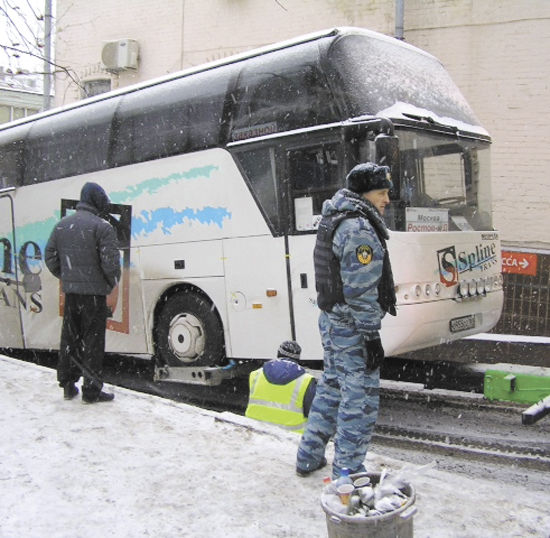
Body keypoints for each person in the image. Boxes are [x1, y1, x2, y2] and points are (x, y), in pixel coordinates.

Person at [296, 162, 397, 478]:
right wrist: (371, 335)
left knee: (333, 388)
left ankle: (309, 456)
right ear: (365, 193)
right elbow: (360, 290)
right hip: (352, 327)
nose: (387, 200)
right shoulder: (358, 229)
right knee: (360, 398)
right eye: (382, 192)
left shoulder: (336, 217)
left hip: (333, 320)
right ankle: (349, 471)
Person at [45, 182, 121, 404]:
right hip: (94, 296)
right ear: (97, 201)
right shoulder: (103, 227)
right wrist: (108, 284)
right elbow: (111, 265)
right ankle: (91, 390)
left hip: (72, 294)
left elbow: (50, 256)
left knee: (70, 338)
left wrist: (67, 277)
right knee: (93, 342)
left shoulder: (62, 226)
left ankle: (68, 384)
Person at [245, 341, 317, 433]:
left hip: (255, 430)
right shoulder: (306, 380)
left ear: (278, 353)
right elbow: (312, 413)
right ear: (298, 358)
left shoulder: (256, 374)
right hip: (290, 436)